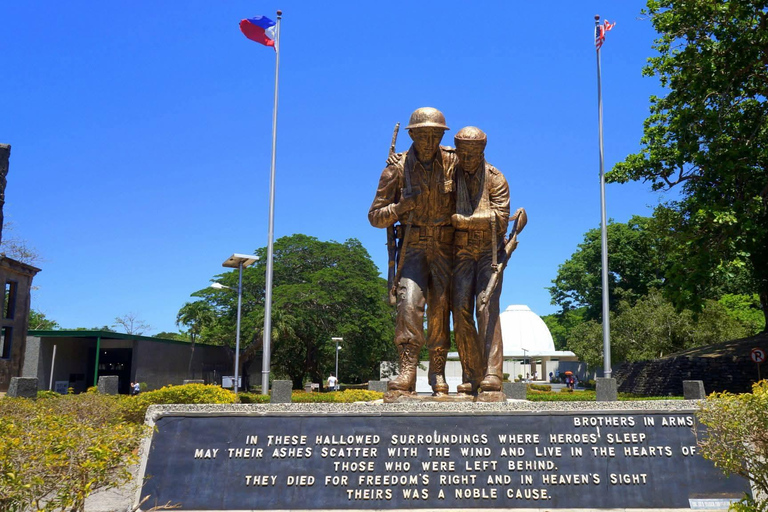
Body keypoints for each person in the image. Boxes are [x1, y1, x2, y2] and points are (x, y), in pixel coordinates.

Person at [369, 107, 457, 395]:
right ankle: (407, 371)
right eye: (423, 135)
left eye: (435, 135)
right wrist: (399, 207)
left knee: (441, 310)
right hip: (413, 246)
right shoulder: (396, 168)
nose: (429, 141)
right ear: (412, 135)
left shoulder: (454, 164)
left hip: (446, 245)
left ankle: (438, 372)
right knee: (408, 307)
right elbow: (375, 216)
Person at [450, 127, 510, 394]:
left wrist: (467, 221)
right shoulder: (450, 171)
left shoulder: (496, 179)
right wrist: (397, 159)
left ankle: (492, 373)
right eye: (463, 154)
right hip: (460, 253)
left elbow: (502, 219)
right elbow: (424, 153)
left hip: (489, 253)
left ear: (483, 152)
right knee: (460, 310)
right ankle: (471, 372)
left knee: (485, 307)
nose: (468, 160)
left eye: (474, 155)